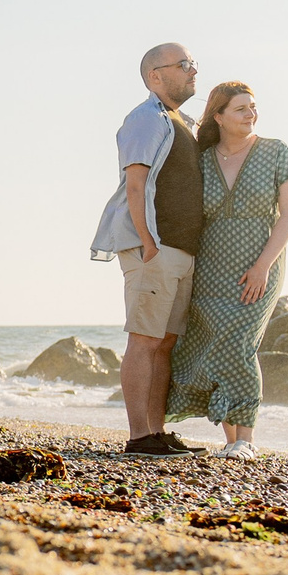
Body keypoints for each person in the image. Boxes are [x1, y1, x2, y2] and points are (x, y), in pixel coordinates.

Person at [166, 81, 288, 458]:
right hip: (210, 267)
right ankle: (231, 441)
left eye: (253, 107)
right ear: (219, 116)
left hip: (260, 265)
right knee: (213, 344)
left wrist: (262, 266)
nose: (251, 114)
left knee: (239, 343)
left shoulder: (276, 152)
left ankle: (246, 439)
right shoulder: (202, 159)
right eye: (241, 108)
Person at [90, 42, 205, 455]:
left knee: (164, 342)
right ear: (156, 75)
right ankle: (139, 436)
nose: (194, 71)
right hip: (154, 248)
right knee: (144, 340)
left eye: (193, 63)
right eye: (184, 65)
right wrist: (148, 241)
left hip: (181, 249)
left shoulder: (182, 121)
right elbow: (135, 183)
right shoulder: (145, 119)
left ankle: (157, 432)